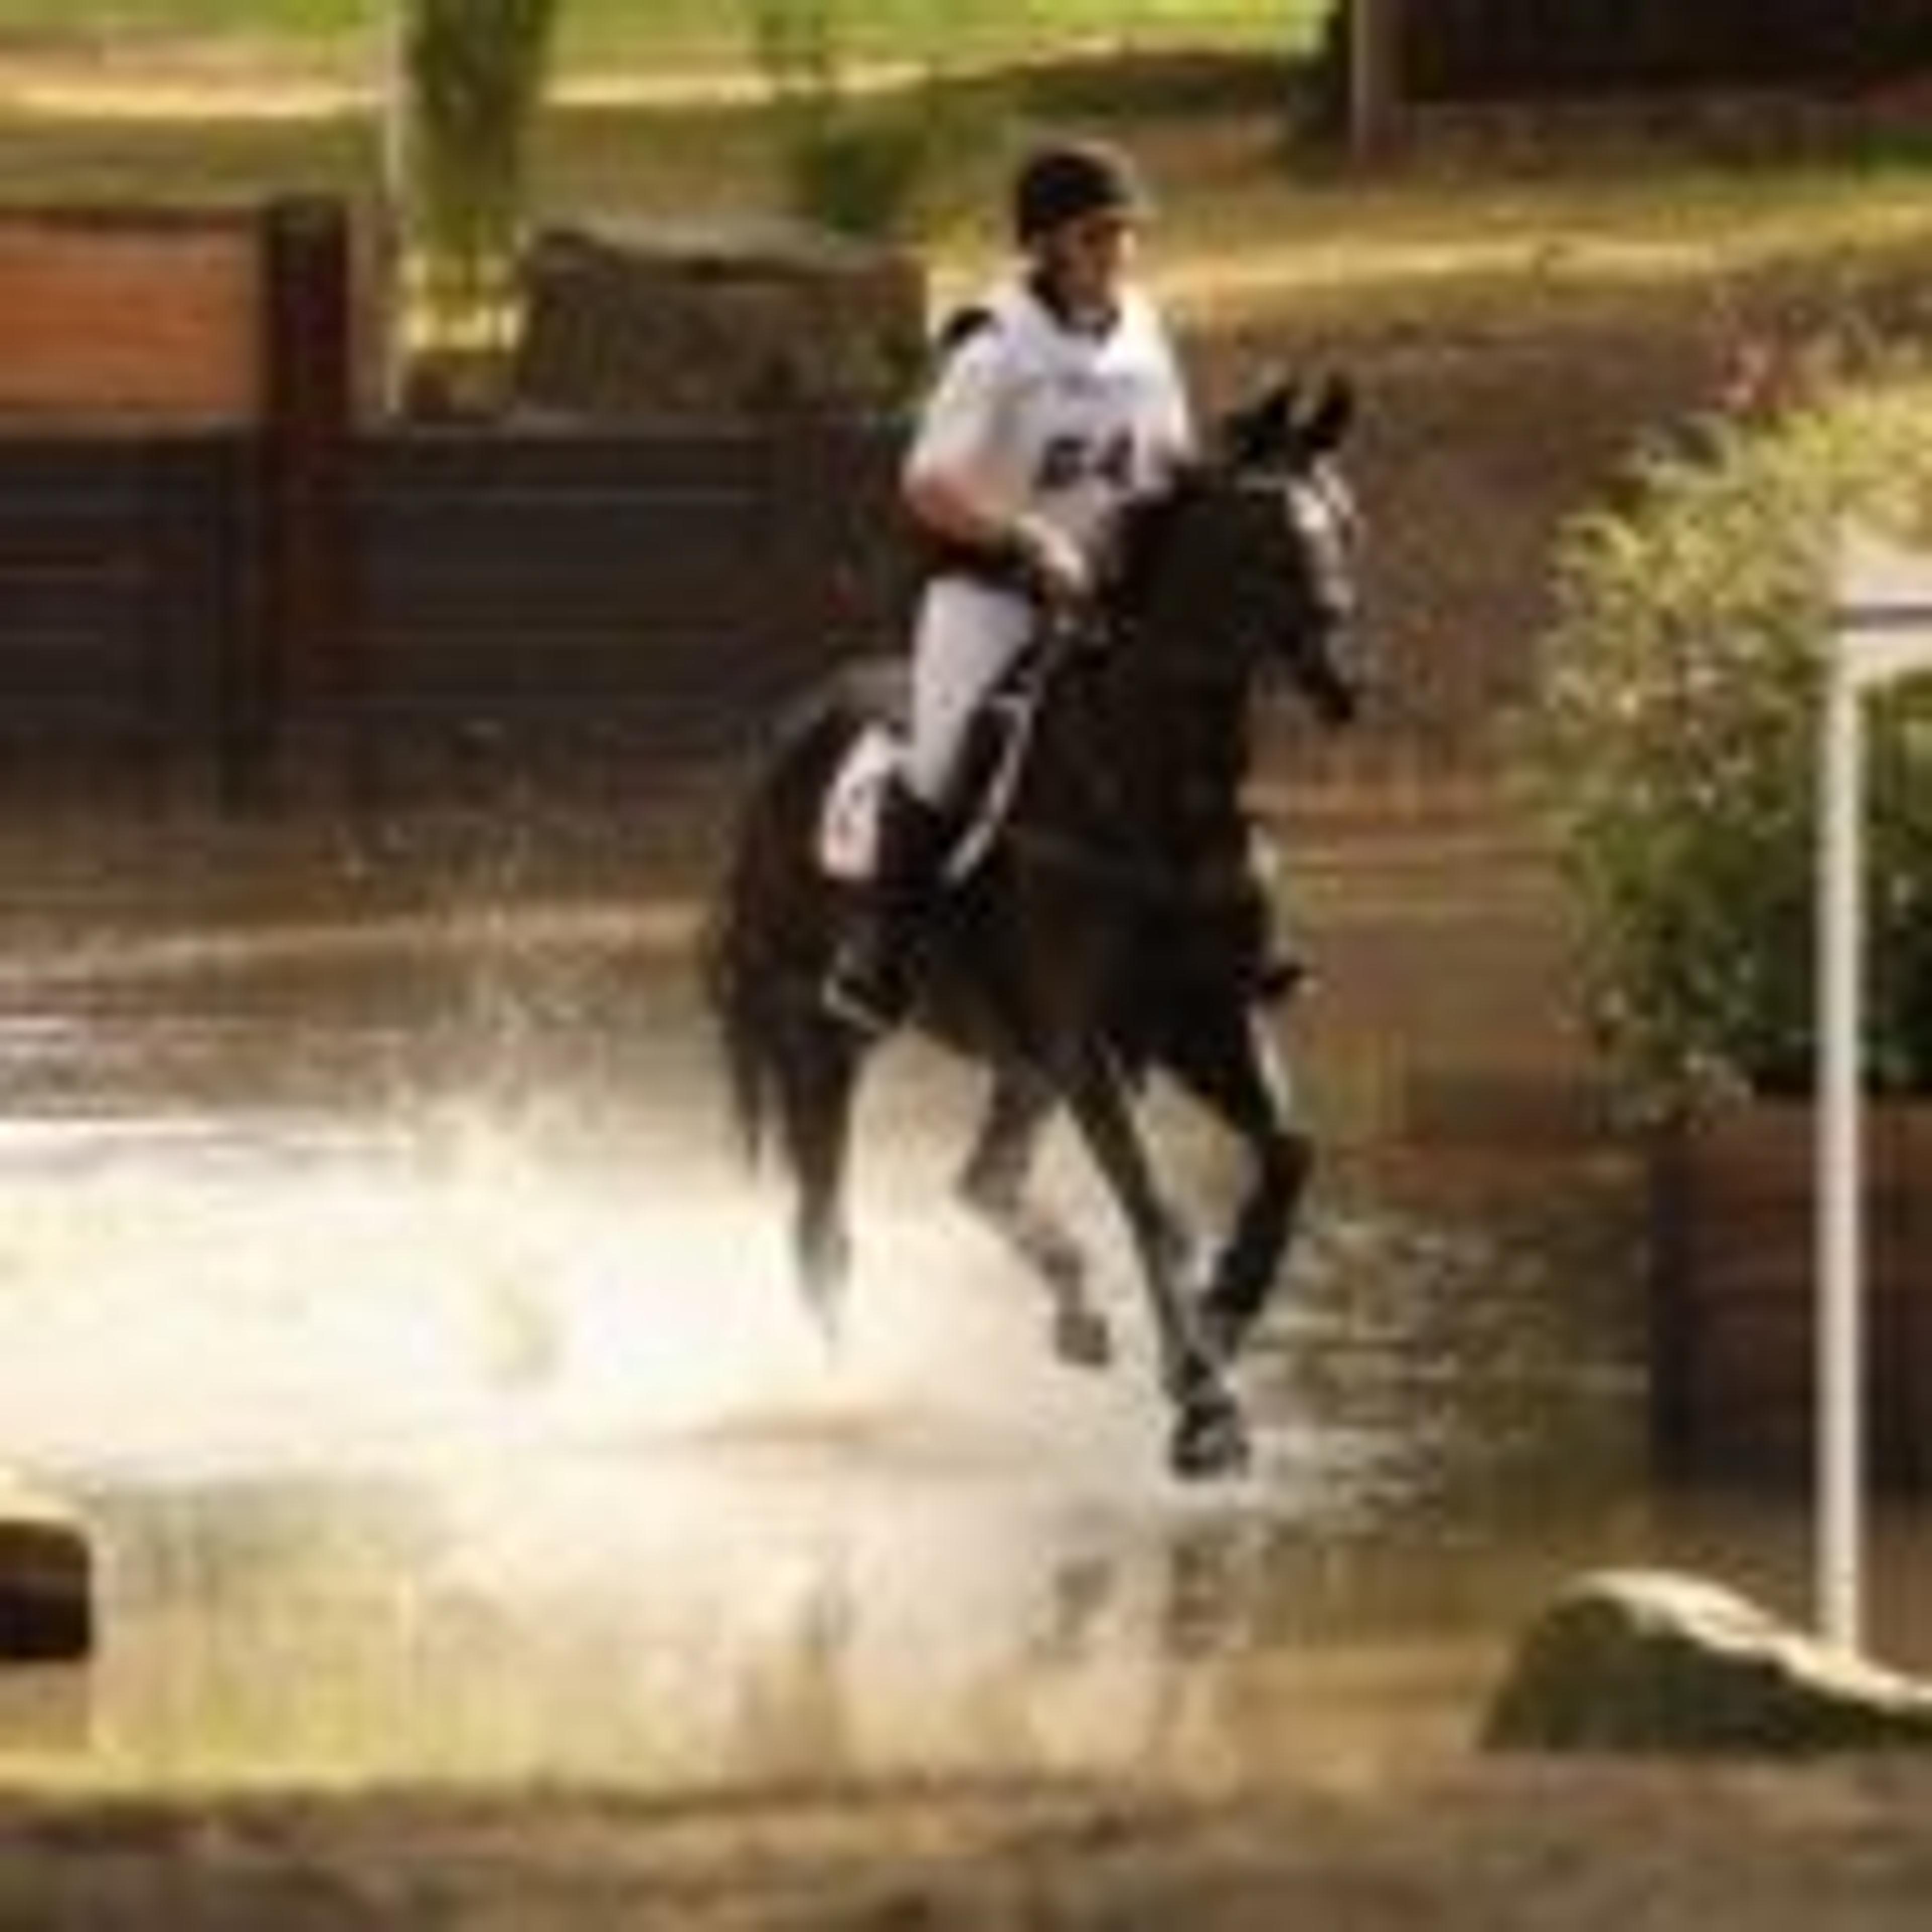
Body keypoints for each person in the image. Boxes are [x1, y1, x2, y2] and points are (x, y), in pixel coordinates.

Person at [823, 136, 1197, 1038]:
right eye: (1097, 234)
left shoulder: (1144, 332)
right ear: (1047, 246)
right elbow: (928, 485)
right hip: (992, 600)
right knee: (943, 760)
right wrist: (1028, 537)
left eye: (1126, 232)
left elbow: (1173, 459)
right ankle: (880, 956)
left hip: (1106, 603)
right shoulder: (994, 348)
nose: (1118, 250)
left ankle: (1216, 938)